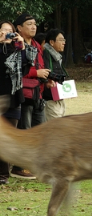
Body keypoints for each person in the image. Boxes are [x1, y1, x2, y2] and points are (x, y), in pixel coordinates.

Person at [0, 20, 26, 184]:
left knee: (8, 140)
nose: (8, 33)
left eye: (11, 31)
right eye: (4, 30)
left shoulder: (16, 51)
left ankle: (3, 175)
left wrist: (21, 45)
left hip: (14, 98)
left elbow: (26, 67)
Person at [16, 13, 48, 136]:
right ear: (19, 28)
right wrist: (36, 73)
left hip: (37, 94)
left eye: (34, 24)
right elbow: (16, 69)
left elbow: (40, 65)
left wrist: (46, 77)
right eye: (29, 24)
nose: (33, 27)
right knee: (26, 133)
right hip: (24, 95)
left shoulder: (37, 45)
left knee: (42, 132)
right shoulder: (16, 44)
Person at [42, 28, 68, 121]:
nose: (64, 42)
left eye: (64, 40)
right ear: (52, 42)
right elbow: (46, 72)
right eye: (61, 40)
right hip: (50, 100)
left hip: (58, 98)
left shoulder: (56, 56)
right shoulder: (46, 54)